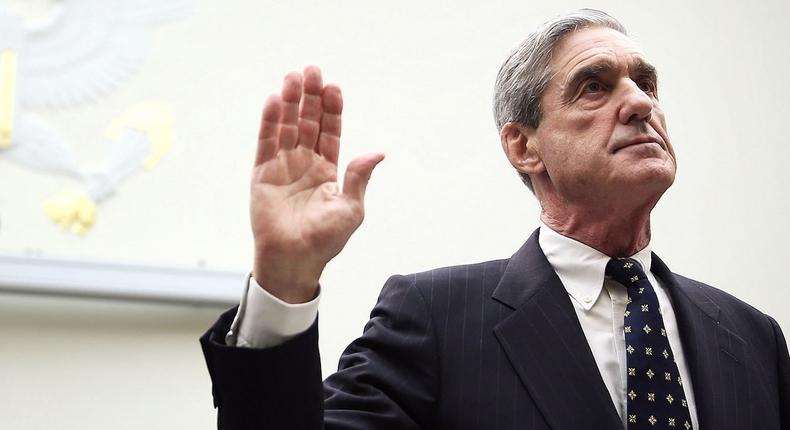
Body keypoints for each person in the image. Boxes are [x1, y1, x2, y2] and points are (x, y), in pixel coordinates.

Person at [200, 9, 790, 430]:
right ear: (523, 147)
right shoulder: (435, 318)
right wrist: (283, 283)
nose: (639, 102)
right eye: (594, 86)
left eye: (646, 82)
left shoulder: (753, 338)